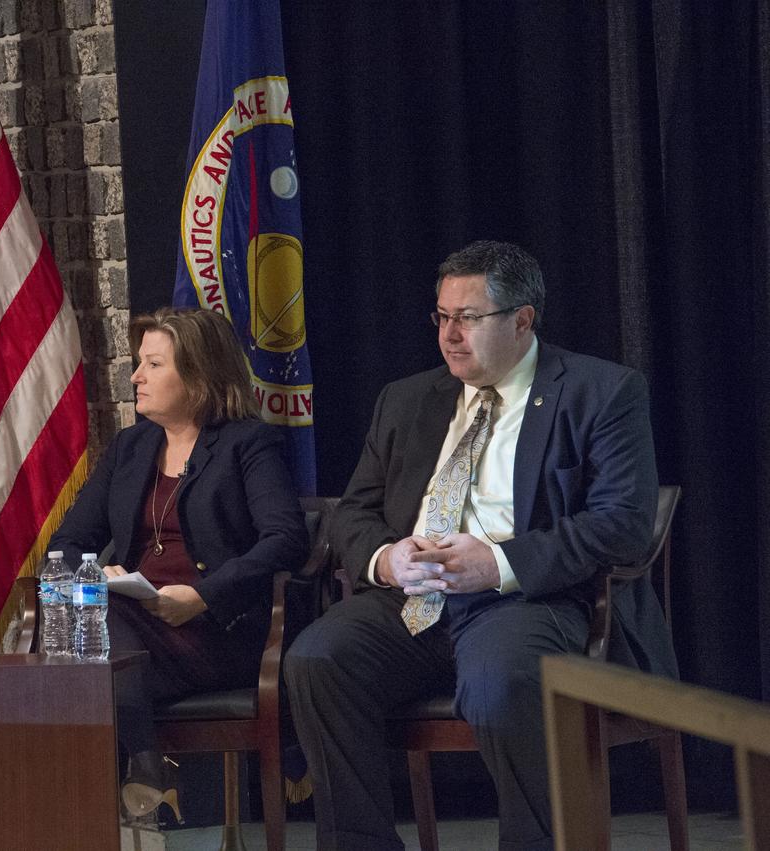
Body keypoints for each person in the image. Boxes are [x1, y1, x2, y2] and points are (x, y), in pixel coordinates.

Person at [285, 241, 678, 850]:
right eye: (442, 317)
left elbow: (623, 523)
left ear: (523, 319)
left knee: (502, 681)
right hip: (413, 600)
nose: (449, 335)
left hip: (526, 599)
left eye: (468, 318)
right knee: (317, 660)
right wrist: (387, 559)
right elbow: (353, 511)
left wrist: (497, 562)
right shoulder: (407, 399)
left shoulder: (600, 391)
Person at [48, 307, 309, 822]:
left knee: (81, 645)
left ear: (198, 375)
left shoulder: (247, 444)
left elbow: (285, 540)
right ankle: (148, 765)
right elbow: (71, 540)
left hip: (217, 629)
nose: (136, 377)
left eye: (153, 364)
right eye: (139, 363)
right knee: (85, 613)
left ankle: (126, 783)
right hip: (132, 626)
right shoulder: (131, 446)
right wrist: (99, 575)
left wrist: (204, 594)